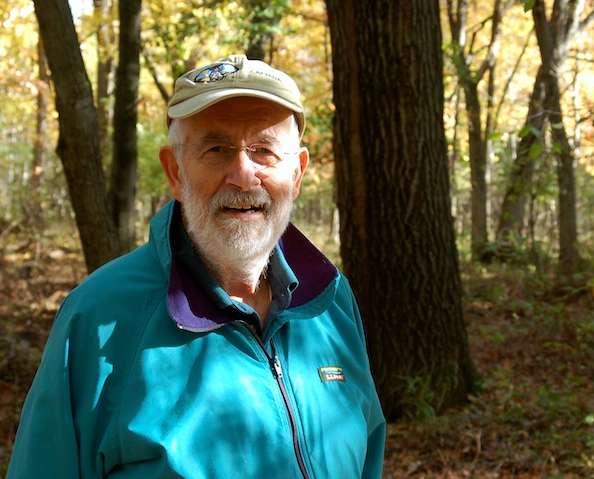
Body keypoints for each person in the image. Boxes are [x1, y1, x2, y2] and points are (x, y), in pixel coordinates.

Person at [7, 54, 386, 479]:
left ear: (296, 174)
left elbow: (367, 455)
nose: (243, 175)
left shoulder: (331, 301)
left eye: (263, 150)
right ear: (175, 171)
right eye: (216, 149)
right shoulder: (98, 319)